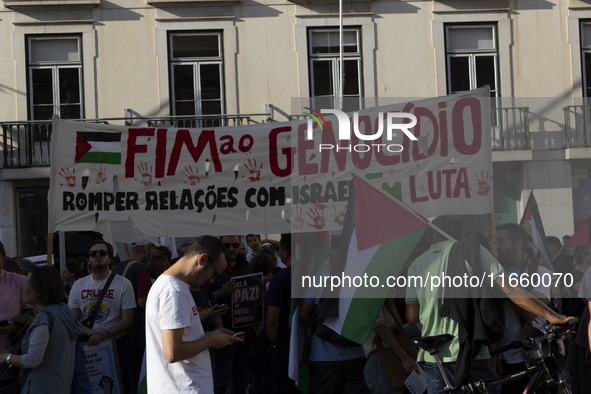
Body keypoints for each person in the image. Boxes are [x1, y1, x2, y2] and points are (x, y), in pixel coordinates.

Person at [405, 217, 572, 394]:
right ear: (460, 233)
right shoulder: (471, 252)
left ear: (433, 236)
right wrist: (552, 316)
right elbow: (510, 290)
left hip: (434, 358)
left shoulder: (417, 264)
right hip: (468, 353)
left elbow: (412, 316)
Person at [145, 235, 241, 393]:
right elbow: (172, 352)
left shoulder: (176, 287)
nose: (211, 281)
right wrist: (211, 339)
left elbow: (181, 340)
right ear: (202, 260)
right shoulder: (174, 292)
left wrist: (212, 335)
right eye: (214, 273)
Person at [0, 265, 82, 393]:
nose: (22, 287)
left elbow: (32, 360)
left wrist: (6, 357)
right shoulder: (64, 311)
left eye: (26, 284)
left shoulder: (44, 318)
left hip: (41, 388)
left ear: (39, 288)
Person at [68, 240, 136, 392]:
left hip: (117, 345)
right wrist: (91, 332)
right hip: (88, 345)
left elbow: (127, 320)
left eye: (102, 253)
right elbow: (73, 320)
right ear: (88, 260)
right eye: (93, 254)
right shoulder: (78, 285)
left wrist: (105, 334)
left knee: (121, 386)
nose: (98, 256)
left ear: (109, 258)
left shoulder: (124, 284)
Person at [210, 235, 254, 394]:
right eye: (227, 245)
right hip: (223, 331)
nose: (231, 249)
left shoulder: (246, 265)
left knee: (242, 380)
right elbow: (203, 300)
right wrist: (222, 292)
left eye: (235, 245)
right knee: (221, 380)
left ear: (240, 245)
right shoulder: (213, 268)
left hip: (245, 333)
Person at [0, 240, 33, 353]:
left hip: (13, 355)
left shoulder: (19, 281)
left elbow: (33, 311)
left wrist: (16, 325)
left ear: (4, 257)